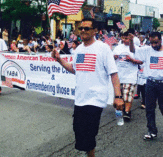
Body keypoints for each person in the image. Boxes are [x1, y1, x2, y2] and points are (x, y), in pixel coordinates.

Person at [51, 18, 124, 157]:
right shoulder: (78, 49)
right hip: (80, 98)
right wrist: (59, 59)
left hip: (96, 98)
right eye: (81, 28)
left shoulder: (103, 48)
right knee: (78, 130)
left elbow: (113, 74)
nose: (83, 31)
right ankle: (88, 152)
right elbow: (74, 69)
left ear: (95, 30)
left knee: (89, 132)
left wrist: (118, 96)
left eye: (86, 28)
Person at [130, 31, 163, 140]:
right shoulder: (147, 50)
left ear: (161, 40)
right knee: (149, 108)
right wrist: (130, 40)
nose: (153, 45)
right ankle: (152, 131)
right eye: (151, 43)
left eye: (156, 43)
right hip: (151, 83)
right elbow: (133, 50)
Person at [113, 31, 143, 121]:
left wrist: (132, 60)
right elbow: (111, 59)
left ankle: (127, 112)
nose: (124, 40)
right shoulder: (117, 48)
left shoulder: (136, 48)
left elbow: (141, 61)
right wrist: (114, 57)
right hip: (119, 76)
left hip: (130, 76)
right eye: (123, 38)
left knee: (127, 95)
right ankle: (121, 112)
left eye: (126, 38)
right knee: (120, 95)